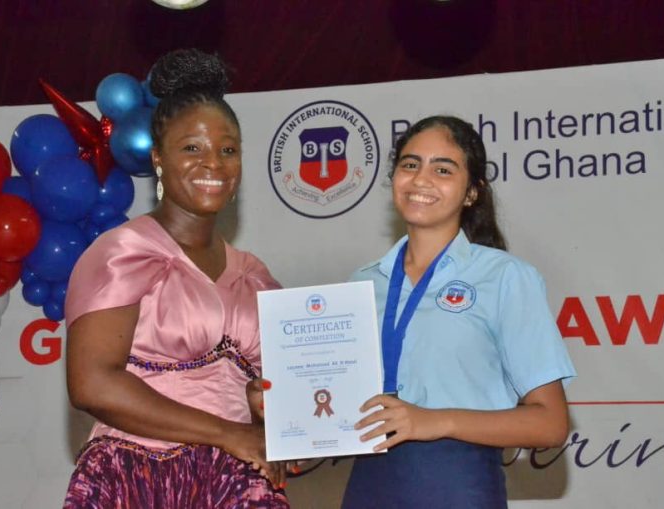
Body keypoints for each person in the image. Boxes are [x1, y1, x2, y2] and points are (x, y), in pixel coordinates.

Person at [62, 49, 289, 508]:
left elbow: (281, 392)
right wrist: (228, 433)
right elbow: (91, 384)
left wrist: (273, 421)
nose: (214, 164)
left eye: (228, 150)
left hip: (236, 481)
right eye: (192, 148)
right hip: (137, 474)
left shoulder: (255, 275)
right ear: (159, 158)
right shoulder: (123, 253)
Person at [341, 116, 576, 508]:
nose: (421, 179)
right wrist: (285, 411)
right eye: (410, 164)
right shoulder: (361, 283)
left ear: (471, 192)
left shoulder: (505, 277)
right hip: (370, 484)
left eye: (443, 169)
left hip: (459, 487)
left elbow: (550, 424)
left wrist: (434, 420)